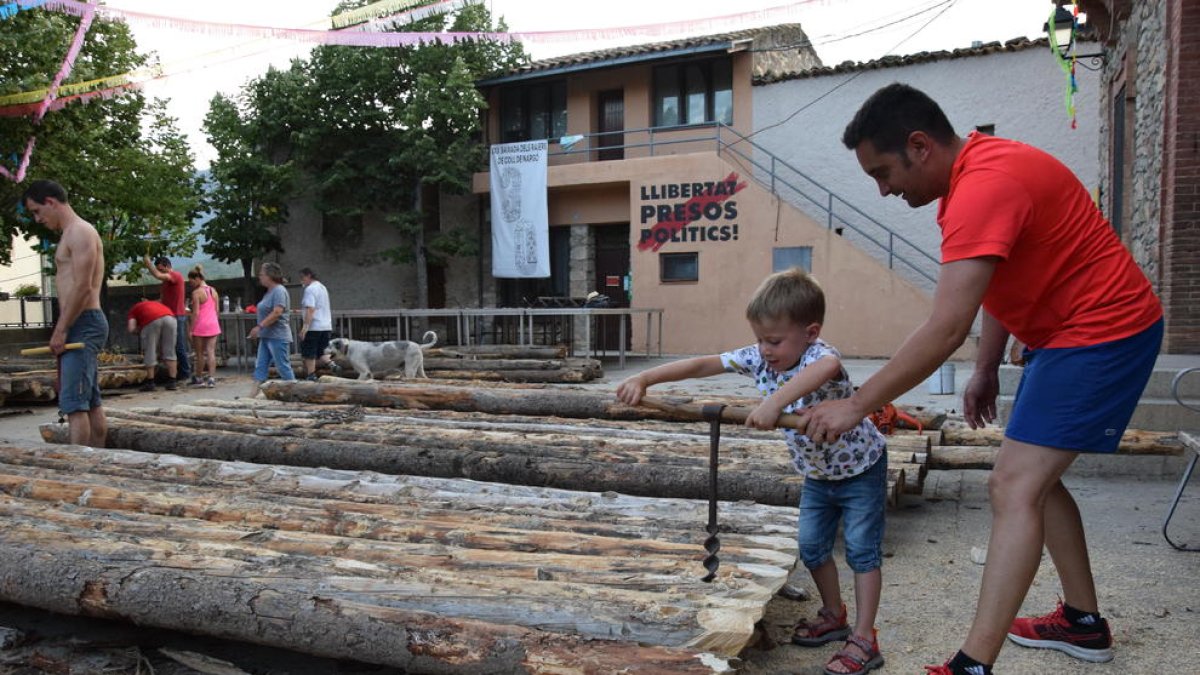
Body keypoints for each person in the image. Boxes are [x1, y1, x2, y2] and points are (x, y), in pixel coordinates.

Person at [809, 83, 1162, 675]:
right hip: (1067, 337)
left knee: (1013, 487)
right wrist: (984, 367)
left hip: (1103, 332)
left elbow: (945, 327)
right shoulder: (970, 179)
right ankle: (1082, 623)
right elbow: (998, 280)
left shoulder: (982, 187)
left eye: (883, 171)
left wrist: (857, 404)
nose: (884, 189)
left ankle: (973, 665)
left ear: (919, 146)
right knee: (1034, 483)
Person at [616, 268, 889, 675]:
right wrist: (645, 377)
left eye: (774, 341)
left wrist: (774, 403)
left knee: (862, 551)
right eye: (760, 339)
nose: (764, 349)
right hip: (817, 475)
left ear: (810, 332)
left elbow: (828, 368)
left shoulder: (819, 356)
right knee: (812, 547)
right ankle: (834, 614)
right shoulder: (759, 355)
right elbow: (702, 364)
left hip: (861, 470)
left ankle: (865, 638)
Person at [21, 180, 108, 447]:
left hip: (84, 321)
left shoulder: (80, 231)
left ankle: (78, 466)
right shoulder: (72, 232)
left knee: (74, 404)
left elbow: (83, 287)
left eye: (37, 211)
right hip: (80, 321)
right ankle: (97, 459)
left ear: (50, 202)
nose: (38, 218)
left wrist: (61, 328)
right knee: (89, 401)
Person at [249, 261, 295, 397]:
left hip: (278, 336)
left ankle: (295, 393)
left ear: (270, 275)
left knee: (283, 367)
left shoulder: (279, 290)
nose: (260, 277)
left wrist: (259, 326)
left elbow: (277, 312)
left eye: (261, 274)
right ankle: (251, 397)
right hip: (266, 336)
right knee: (260, 367)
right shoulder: (269, 292)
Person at [143, 254, 191, 383]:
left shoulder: (175, 276)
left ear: (168, 266)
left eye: (162, 269)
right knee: (171, 346)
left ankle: (185, 373)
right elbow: (162, 300)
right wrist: (149, 303)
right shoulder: (166, 283)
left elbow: (157, 276)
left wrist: (148, 264)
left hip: (177, 315)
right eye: (159, 269)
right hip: (169, 316)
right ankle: (179, 372)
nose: (160, 272)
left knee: (179, 346)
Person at [126, 299, 178, 391]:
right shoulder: (157, 304)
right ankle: (172, 382)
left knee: (150, 350)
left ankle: (150, 382)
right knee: (170, 350)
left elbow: (131, 329)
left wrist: (141, 331)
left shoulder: (133, 310)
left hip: (152, 320)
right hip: (171, 318)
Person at [187, 265, 221, 388]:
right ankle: (211, 378)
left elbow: (195, 312)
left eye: (191, 281)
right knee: (211, 352)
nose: (191, 284)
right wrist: (214, 321)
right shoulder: (213, 290)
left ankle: (199, 377)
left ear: (197, 279)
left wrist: (191, 329)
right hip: (213, 324)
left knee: (200, 353)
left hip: (201, 325)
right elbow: (217, 310)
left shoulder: (196, 293)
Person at [298, 266, 333, 381]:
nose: (301, 281)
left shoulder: (310, 289)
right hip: (326, 325)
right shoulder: (323, 287)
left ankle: (311, 374)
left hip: (314, 326)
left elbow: (311, 309)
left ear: (308, 276)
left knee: (309, 352)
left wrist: (305, 327)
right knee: (322, 351)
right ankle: (332, 365)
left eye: (302, 278)